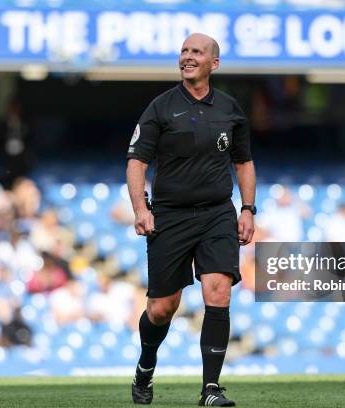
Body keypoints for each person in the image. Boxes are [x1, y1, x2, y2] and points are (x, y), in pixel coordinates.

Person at [126, 33, 256, 406]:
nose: (187, 56)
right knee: (162, 308)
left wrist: (248, 208)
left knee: (219, 290)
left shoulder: (230, 109)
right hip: (170, 216)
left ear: (213, 63)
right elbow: (137, 162)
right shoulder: (161, 107)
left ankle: (210, 389)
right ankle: (146, 366)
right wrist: (141, 207)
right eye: (183, 50)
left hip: (217, 213)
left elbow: (243, 162)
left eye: (196, 52)